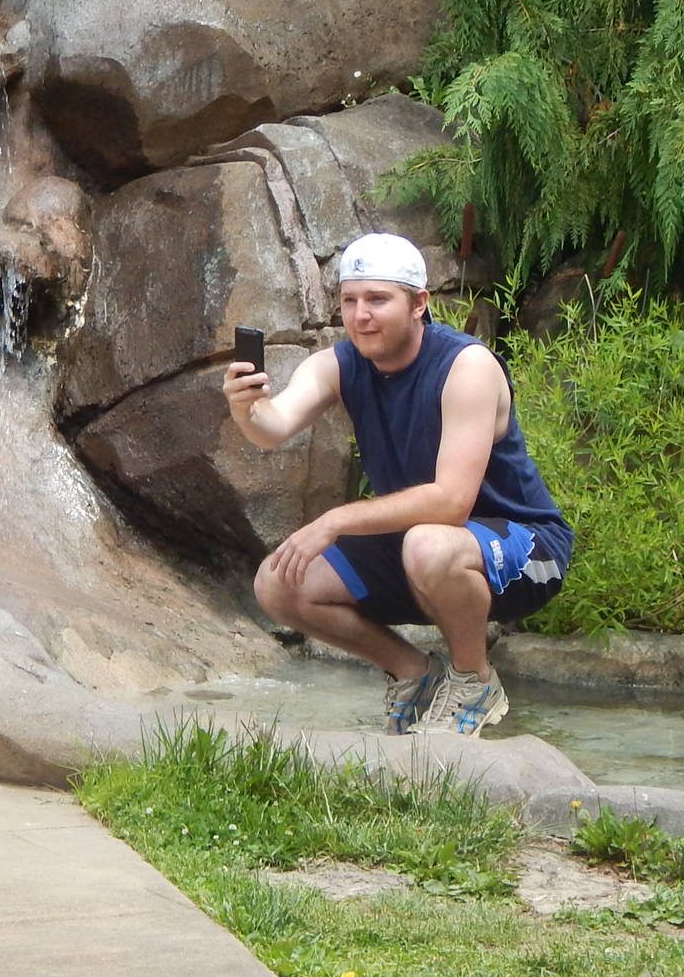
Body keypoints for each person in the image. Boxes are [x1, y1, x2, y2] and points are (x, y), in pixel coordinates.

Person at [221, 233, 571, 736]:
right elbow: (272, 427)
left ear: (418, 304)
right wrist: (244, 407)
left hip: (527, 548)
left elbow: (451, 503)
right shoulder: (339, 364)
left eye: (378, 299)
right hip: (419, 547)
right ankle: (415, 674)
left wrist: (336, 520)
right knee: (279, 581)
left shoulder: (466, 366)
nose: (361, 315)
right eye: (350, 300)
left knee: (428, 544)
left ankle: (474, 681)